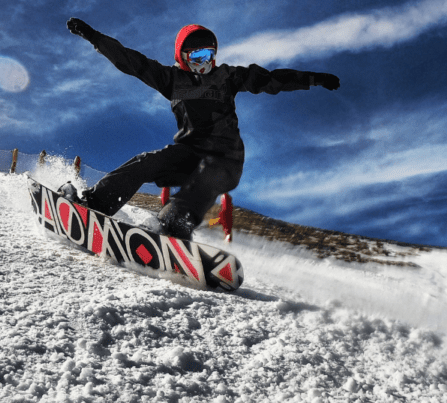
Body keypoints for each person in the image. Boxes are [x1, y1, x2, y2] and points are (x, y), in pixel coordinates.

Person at [63, 17, 340, 239]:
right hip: (189, 154)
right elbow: (132, 62)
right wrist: (94, 37)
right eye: (197, 57)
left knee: (207, 176)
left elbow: (270, 80)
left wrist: (313, 78)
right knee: (148, 161)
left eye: (209, 55)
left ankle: (174, 224)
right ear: (182, 57)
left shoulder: (227, 77)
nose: (204, 63)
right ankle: (95, 204)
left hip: (225, 158)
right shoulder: (171, 79)